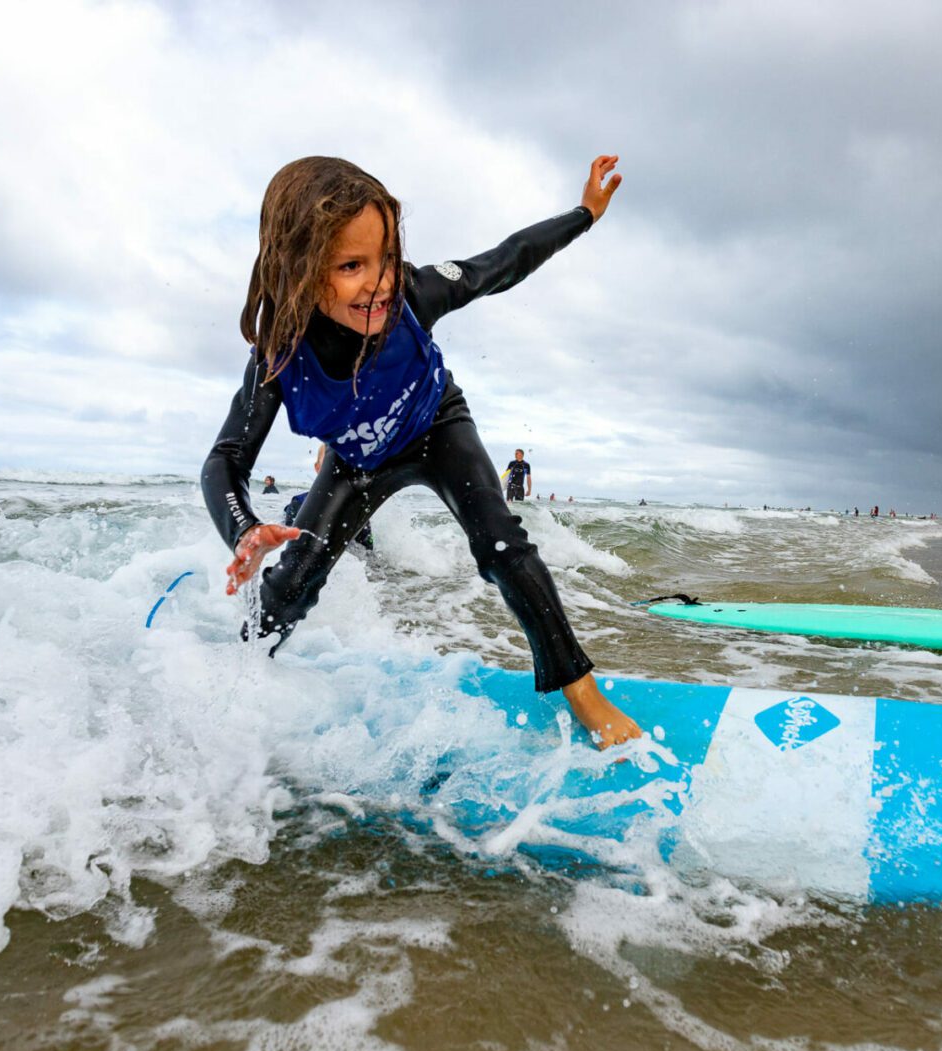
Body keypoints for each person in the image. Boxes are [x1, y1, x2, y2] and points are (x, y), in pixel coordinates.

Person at [201, 153, 639, 748]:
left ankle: (582, 690)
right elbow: (226, 459)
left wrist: (585, 212)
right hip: (357, 461)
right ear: (298, 268)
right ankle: (241, 676)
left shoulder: (411, 296)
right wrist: (245, 530)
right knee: (292, 583)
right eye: (352, 265)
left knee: (502, 544)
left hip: (437, 427)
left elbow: (504, 261)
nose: (379, 283)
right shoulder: (281, 356)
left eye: (385, 258)